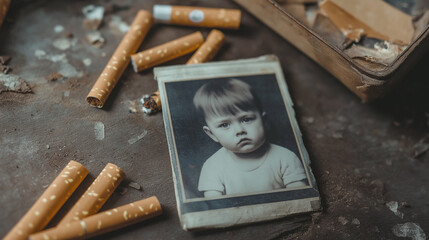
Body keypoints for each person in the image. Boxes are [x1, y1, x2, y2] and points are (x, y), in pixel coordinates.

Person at [193, 78, 308, 198]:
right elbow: (215, 209)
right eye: (224, 125)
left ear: (264, 121)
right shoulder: (213, 167)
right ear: (212, 134)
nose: (239, 131)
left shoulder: (285, 158)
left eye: (246, 119)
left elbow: (300, 199)